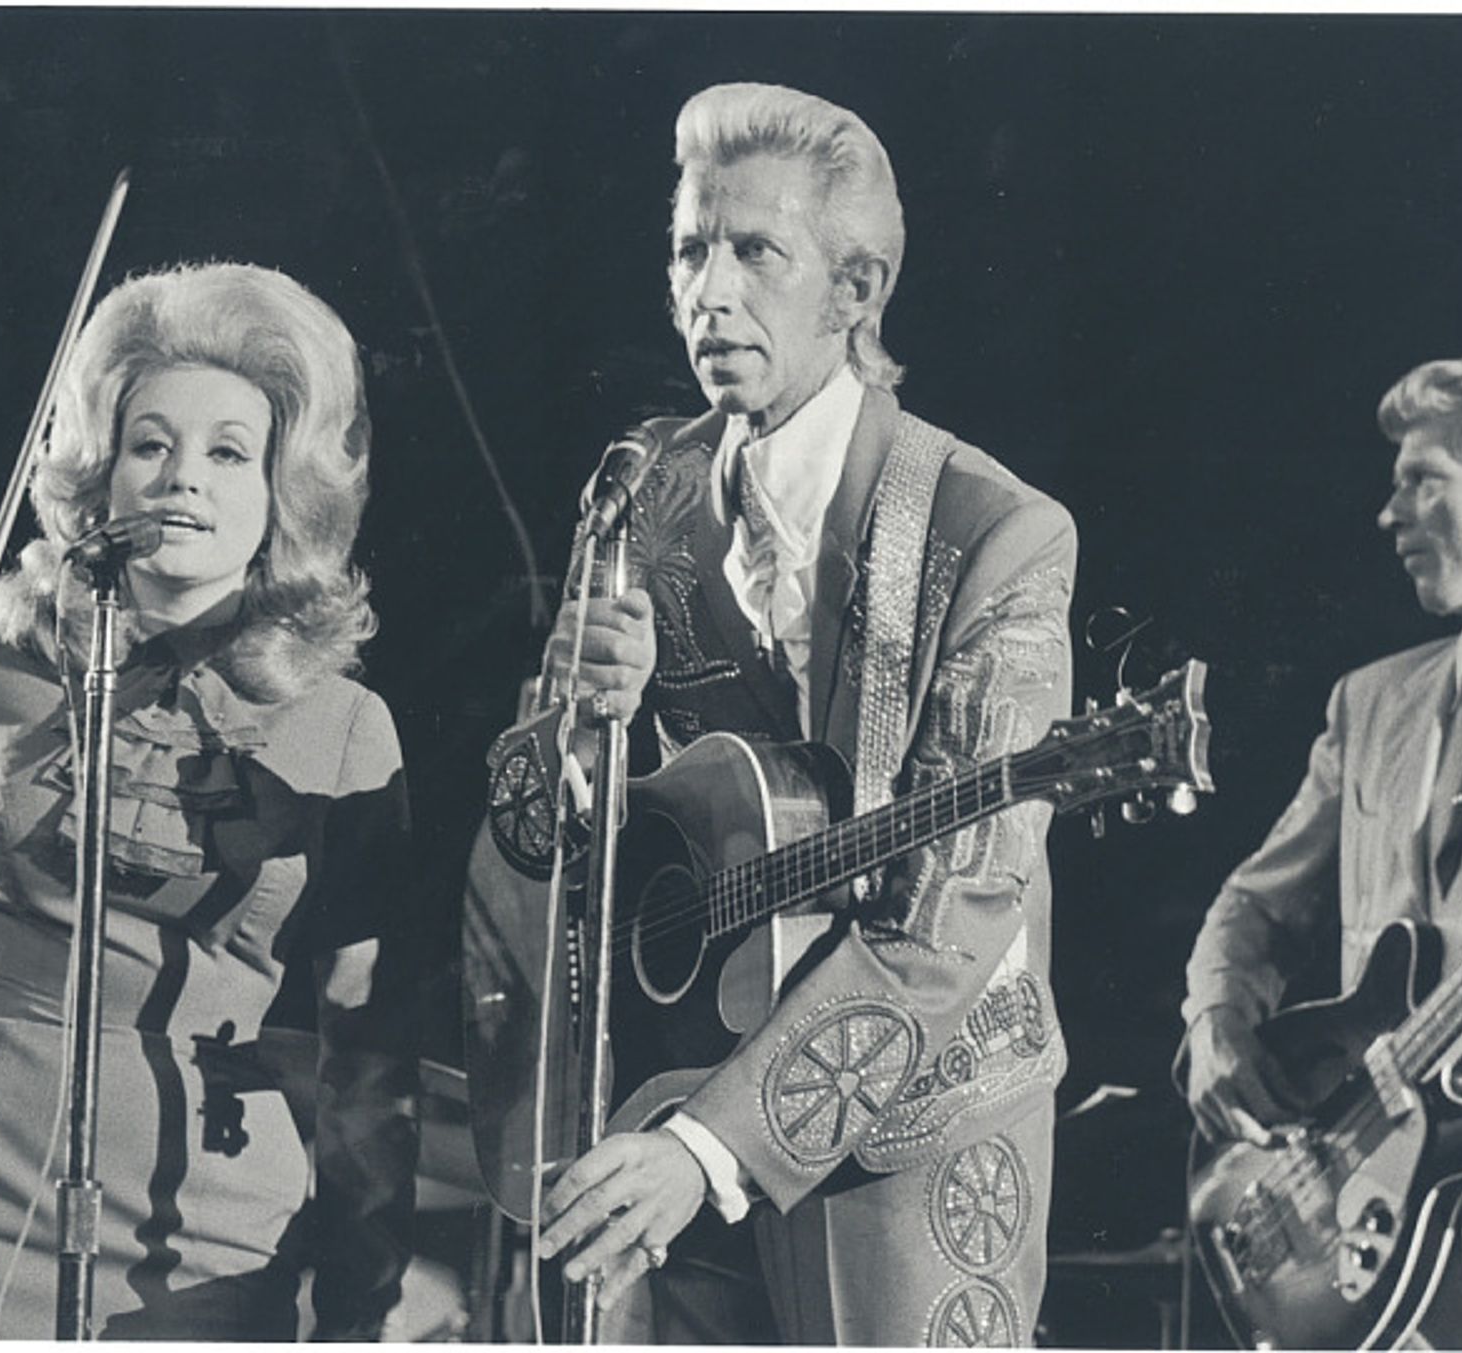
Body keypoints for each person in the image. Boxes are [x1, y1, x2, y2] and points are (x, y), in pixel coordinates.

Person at [493, 82, 1077, 1344]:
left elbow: (955, 903)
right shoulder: (643, 488)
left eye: (753, 251)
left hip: (916, 1117)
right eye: (687, 248)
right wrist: (581, 727)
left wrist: (707, 1149)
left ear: (855, 292)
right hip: (672, 1071)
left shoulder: (994, 531)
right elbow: (536, 838)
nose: (707, 290)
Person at [0, 262, 419, 1340]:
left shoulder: (345, 728)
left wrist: (358, 1298)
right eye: (150, 444)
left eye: (227, 453)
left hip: (213, 1228)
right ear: (98, 475)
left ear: (280, 496)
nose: (179, 480)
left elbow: (366, 1049)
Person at [1181, 353, 1462, 1347]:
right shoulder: (1369, 705)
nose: (1385, 514)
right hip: (1377, 1220)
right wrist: (1218, 1027)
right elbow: (1253, 908)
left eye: (1419, 481)